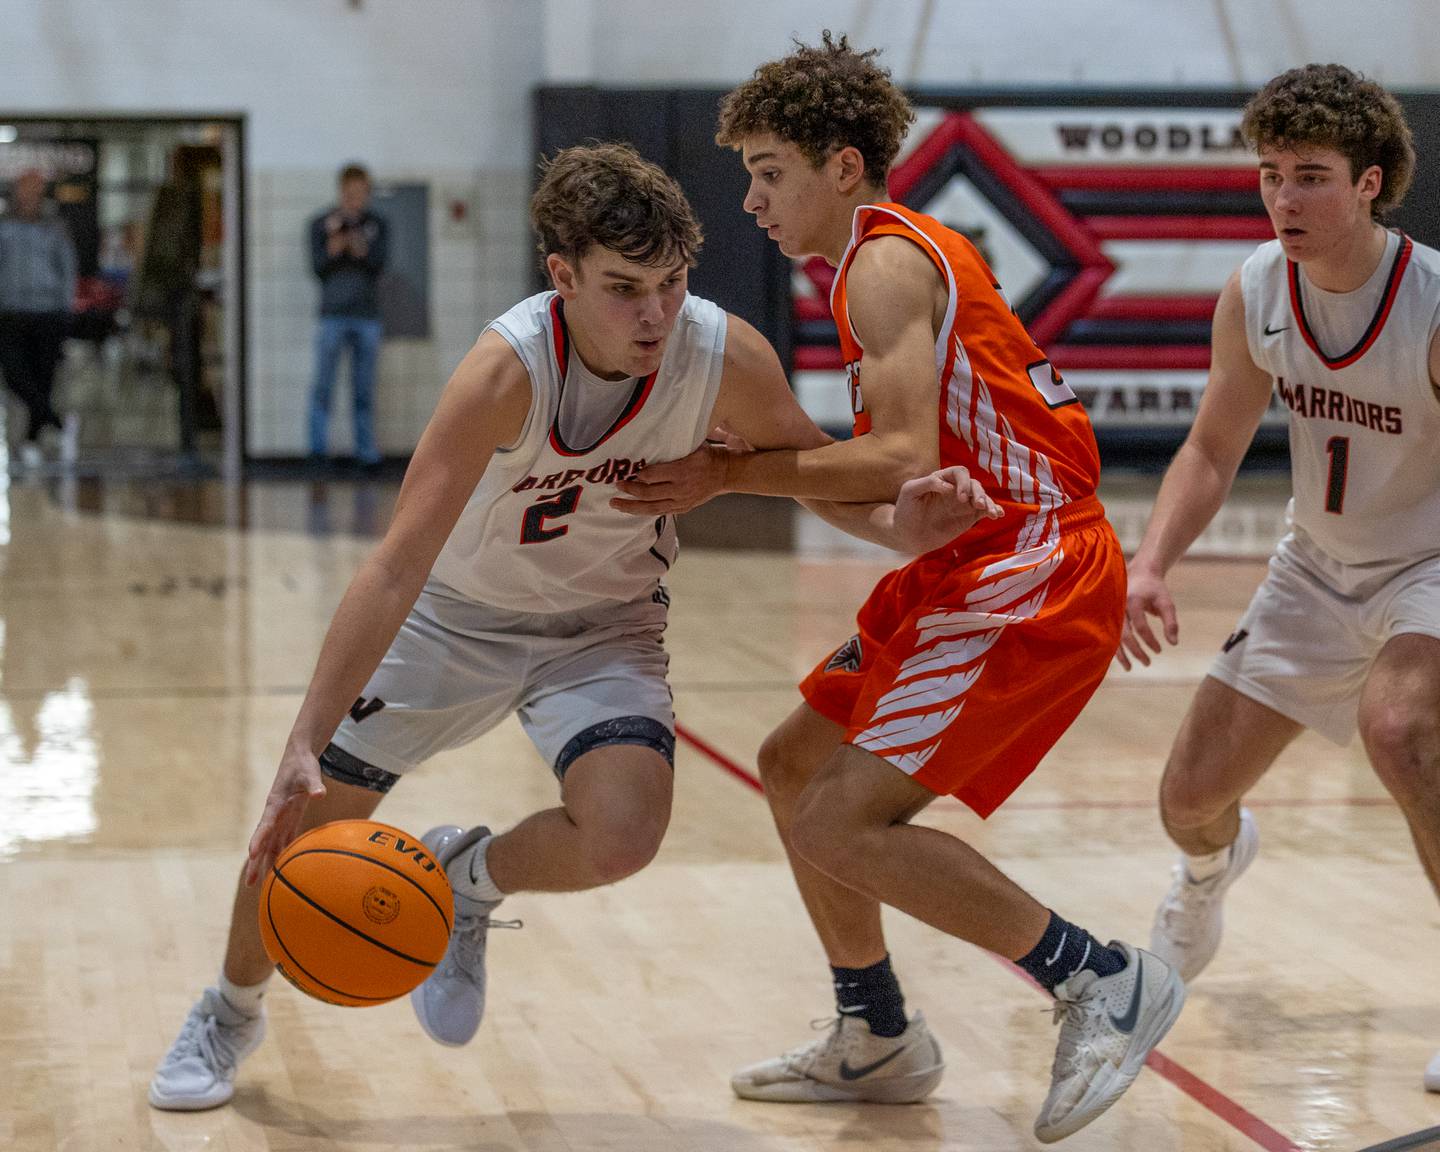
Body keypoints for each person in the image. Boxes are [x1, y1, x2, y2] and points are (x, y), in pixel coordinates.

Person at [147, 142, 985, 1113]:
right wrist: (302, 740)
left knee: (625, 833)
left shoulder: (719, 355)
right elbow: (392, 566)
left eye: (671, 285)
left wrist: (896, 532)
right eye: (625, 289)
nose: (655, 315)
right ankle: (230, 1007)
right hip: (453, 621)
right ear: (563, 277)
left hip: (605, 625)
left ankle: (467, 880)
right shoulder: (505, 373)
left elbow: (808, 473)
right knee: (300, 824)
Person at [614, 33, 1184, 1143]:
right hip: (972, 563)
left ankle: (1099, 979)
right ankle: (874, 1034)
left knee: (840, 819)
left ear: (841, 167)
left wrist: (731, 473)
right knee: (791, 765)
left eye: (769, 171)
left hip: (1030, 568)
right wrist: (791, 485)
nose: (751, 200)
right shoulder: (880, 267)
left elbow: (893, 450)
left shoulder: (880, 263)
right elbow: (897, 493)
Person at [1117, 64, 1440, 1095]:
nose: (1284, 200)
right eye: (1269, 175)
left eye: (1310, 176)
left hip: (1428, 565)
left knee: (1403, 735)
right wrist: (1151, 561)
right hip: (1313, 568)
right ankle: (1212, 870)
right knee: (1187, 800)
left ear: (1370, 183)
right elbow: (1212, 451)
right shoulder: (1257, 290)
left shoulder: (1430, 305)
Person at [308, 163, 388, 470]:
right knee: (323, 386)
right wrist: (335, 248)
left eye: (361, 193)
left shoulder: (377, 225)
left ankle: (366, 454)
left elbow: (380, 264)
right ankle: (317, 452)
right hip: (333, 315)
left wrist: (360, 249)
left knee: (364, 389)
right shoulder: (321, 223)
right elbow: (317, 267)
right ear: (341, 191)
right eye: (350, 192)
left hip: (367, 316)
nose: (355, 199)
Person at [0, 167, 77, 468]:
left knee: (43, 377)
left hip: (48, 313)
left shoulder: (54, 227)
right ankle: (55, 421)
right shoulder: (4, 226)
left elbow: (66, 268)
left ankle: (32, 439)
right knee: (16, 376)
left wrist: (65, 307)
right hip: (10, 312)